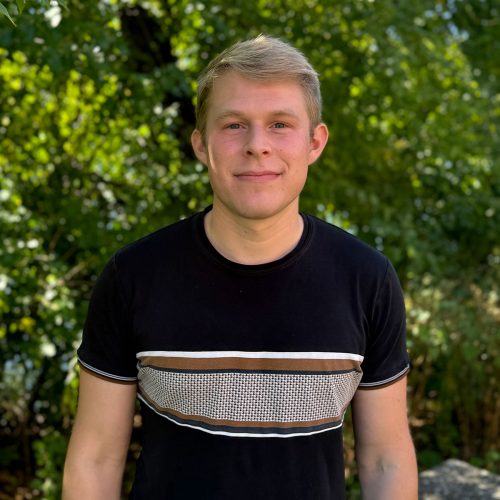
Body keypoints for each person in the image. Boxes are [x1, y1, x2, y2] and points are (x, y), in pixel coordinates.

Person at [63, 35, 418, 499]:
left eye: (279, 124)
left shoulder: (366, 279)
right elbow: (95, 458)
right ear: (200, 145)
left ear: (315, 142)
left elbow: (385, 459)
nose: (257, 146)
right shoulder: (133, 276)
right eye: (233, 125)